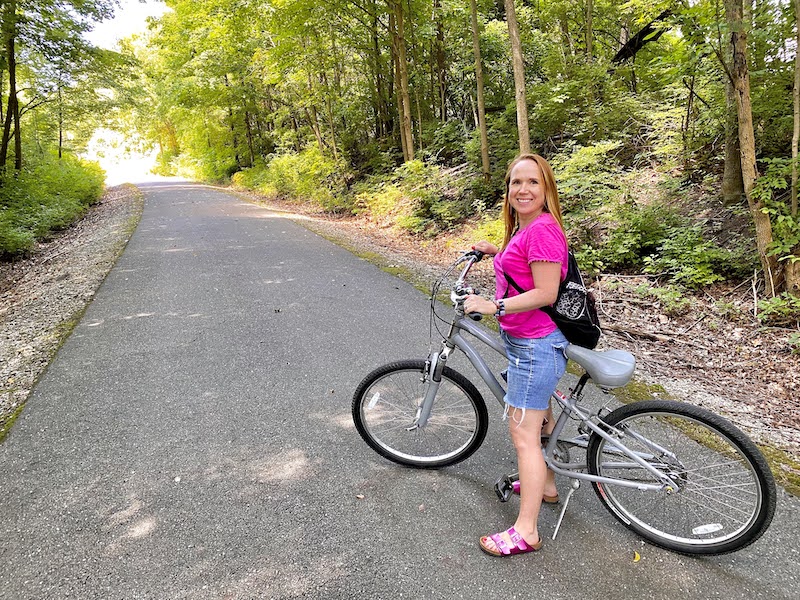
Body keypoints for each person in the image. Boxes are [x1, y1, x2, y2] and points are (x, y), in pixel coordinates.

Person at [463, 153, 569, 557]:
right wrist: (497, 251)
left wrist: (493, 306)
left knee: (522, 435)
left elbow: (546, 293)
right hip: (530, 341)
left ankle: (526, 531)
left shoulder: (542, 229)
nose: (523, 190)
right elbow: (526, 266)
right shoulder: (527, 229)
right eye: (516, 182)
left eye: (533, 183)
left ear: (546, 190)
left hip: (536, 345)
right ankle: (546, 484)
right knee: (537, 415)